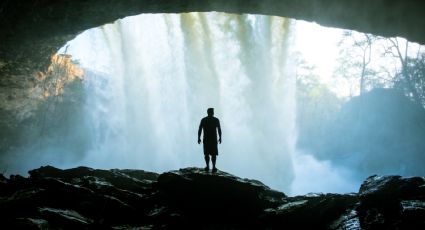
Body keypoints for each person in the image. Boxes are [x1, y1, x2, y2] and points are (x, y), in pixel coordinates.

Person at [198, 108, 222, 172]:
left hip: (213, 139)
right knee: (207, 154)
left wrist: (220, 137)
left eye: (212, 112)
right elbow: (200, 129)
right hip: (207, 139)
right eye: (210, 112)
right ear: (208, 112)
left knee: (213, 154)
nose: (211, 113)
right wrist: (198, 137)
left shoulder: (216, 120)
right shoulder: (204, 120)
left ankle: (213, 166)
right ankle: (208, 166)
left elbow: (219, 129)